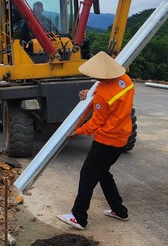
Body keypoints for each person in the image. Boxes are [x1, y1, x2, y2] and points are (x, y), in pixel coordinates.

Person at [57, 51, 134, 230]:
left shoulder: (103, 94)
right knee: (103, 173)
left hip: (106, 141)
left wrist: (77, 131)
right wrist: (90, 93)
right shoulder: (126, 80)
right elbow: (109, 93)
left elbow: (96, 121)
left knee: (87, 176)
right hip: (121, 138)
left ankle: (79, 217)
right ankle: (119, 211)